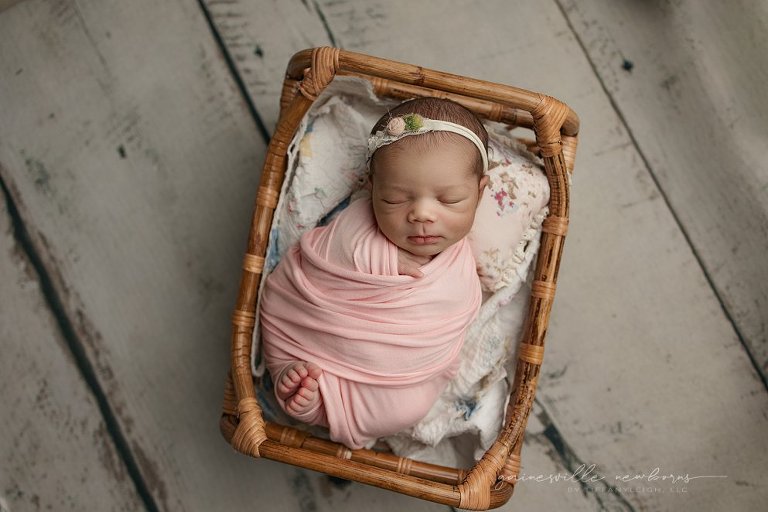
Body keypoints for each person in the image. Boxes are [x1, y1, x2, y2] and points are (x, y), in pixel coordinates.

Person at [259, 97, 490, 449]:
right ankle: (299, 383)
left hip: (395, 378)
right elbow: (323, 252)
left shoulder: (461, 268)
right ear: (372, 188)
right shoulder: (358, 222)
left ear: (480, 191)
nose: (422, 214)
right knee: (293, 355)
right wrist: (382, 258)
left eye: (449, 200)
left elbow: (451, 324)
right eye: (395, 199)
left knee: (410, 407)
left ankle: (322, 402)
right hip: (309, 334)